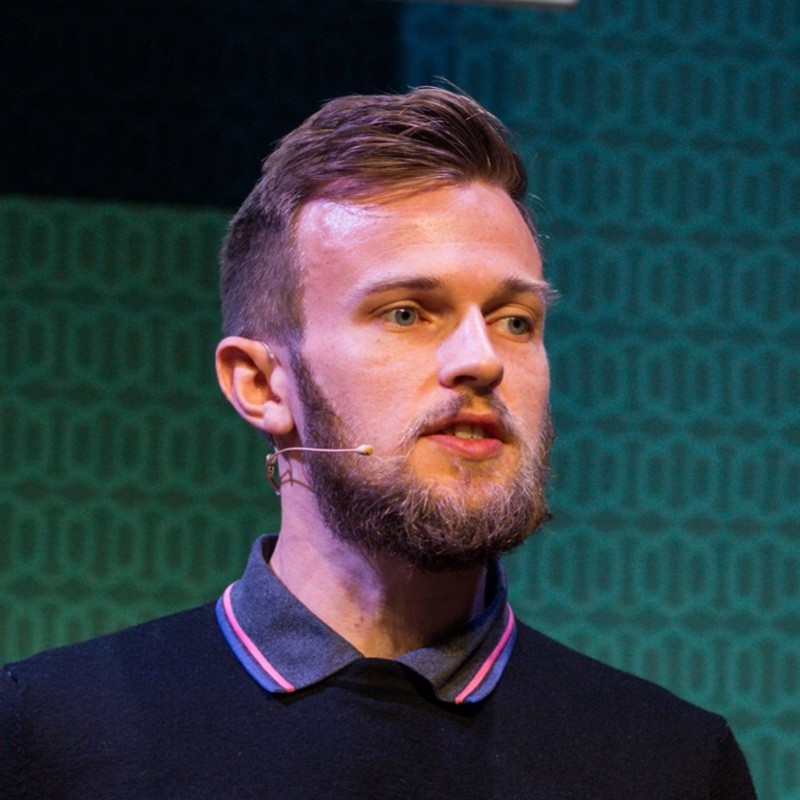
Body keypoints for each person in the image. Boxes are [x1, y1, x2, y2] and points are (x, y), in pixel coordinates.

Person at [0, 87, 756, 799]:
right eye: (406, 313)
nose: (482, 359)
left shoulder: (673, 765)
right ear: (260, 384)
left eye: (515, 321)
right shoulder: (46, 734)